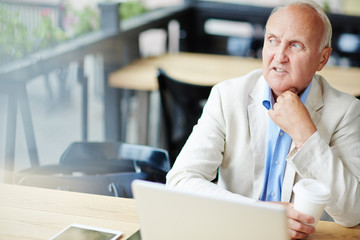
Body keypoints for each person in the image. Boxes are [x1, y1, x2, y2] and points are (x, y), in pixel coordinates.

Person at [166, 0, 360, 239]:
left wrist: (305, 134)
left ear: (322, 59)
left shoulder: (346, 111)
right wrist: (255, 212)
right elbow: (180, 180)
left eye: (296, 45)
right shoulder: (227, 96)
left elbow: (353, 212)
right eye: (272, 41)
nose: (279, 56)